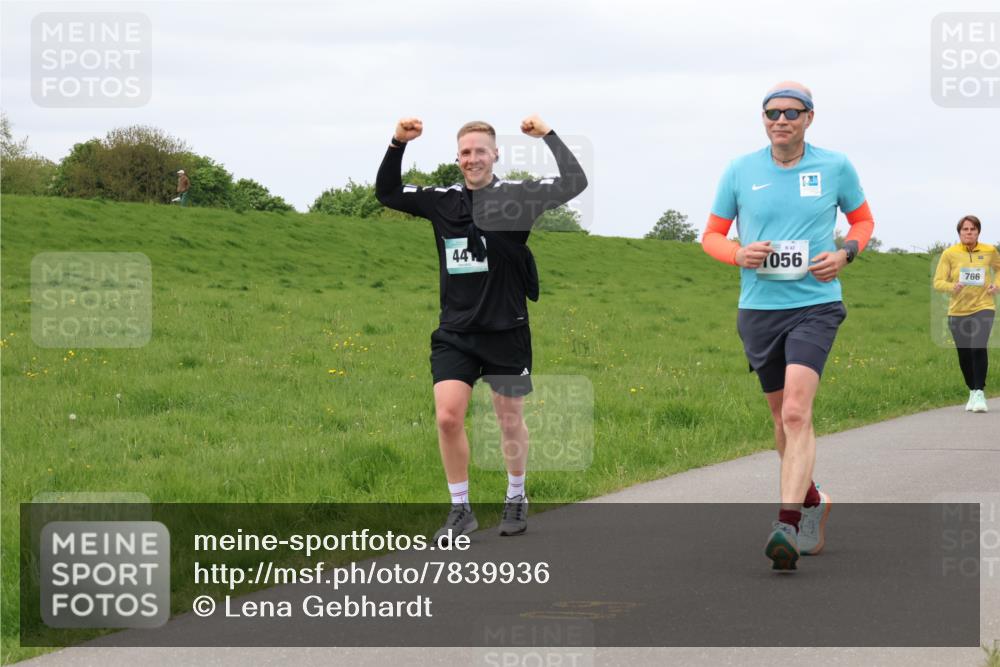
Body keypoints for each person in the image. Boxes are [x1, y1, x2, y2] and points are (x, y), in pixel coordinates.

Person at [375, 114, 587, 544]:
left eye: (480, 151)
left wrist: (548, 135)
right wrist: (398, 142)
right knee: (448, 417)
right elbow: (388, 192)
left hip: (506, 330)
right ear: (458, 159)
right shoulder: (442, 200)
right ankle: (461, 509)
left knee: (508, 421)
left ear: (496, 155)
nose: (473, 159)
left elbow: (574, 182)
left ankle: (515, 495)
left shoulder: (517, 198)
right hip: (456, 331)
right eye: (466, 153)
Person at [701, 82, 875, 570]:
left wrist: (845, 254)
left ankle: (787, 524)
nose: (781, 120)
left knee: (798, 413)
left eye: (791, 113)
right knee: (780, 421)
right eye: (772, 113)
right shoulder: (740, 170)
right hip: (758, 309)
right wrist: (737, 252)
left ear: (809, 118)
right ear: (763, 120)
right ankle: (814, 499)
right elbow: (710, 235)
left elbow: (863, 222)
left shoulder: (835, 166)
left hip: (815, 304)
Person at [933, 215, 999, 413]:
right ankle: (972, 390)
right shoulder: (949, 254)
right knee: (964, 353)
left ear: (978, 231)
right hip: (958, 310)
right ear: (959, 232)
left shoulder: (989, 251)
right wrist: (953, 286)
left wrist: (996, 285)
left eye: (973, 229)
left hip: (984, 306)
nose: (969, 232)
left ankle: (980, 392)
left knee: (978, 347)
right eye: (965, 229)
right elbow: (938, 282)